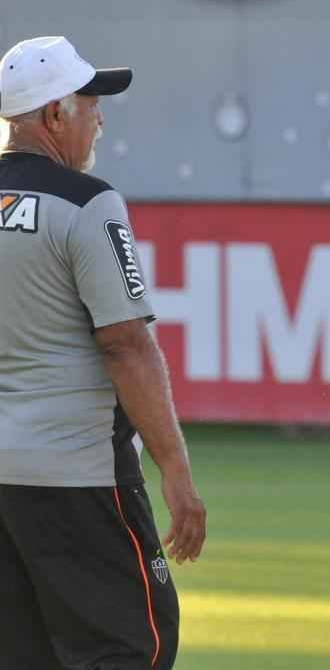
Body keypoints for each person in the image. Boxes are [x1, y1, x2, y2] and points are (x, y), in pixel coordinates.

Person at [0, 36, 206, 668]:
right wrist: (174, 468)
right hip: (79, 477)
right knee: (129, 647)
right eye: (89, 102)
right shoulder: (88, 203)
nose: (100, 117)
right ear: (54, 116)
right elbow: (125, 344)